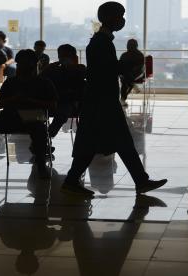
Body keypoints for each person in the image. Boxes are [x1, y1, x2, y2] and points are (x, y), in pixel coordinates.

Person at [60, 2, 167, 197]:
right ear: (110, 17)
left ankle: (72, 180)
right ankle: (140, 181)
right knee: (119, 141)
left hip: (99, 100)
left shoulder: (100, 41)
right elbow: (106, 69)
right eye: (120, 15)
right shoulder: (102, 42)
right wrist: (125, 67)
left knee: (98, 142)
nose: (122, 20)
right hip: (103, 101)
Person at [0, 49, 57, 178]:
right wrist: (14, 100)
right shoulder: (12, 81)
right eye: (20, 64)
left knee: (40, 130)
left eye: (23, 64)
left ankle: (41, 165)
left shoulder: (43, 82)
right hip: (14, 116)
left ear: (32, 65)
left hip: (32, 116)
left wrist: (29, 101)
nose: (20, 67)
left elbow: (53, 105)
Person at [40, 44, 86, 138]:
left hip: (70, 103)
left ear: (73, 57)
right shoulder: (53, 69)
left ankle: (46, 137)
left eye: (66, 56)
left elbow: (84, 76)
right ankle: (42, 137)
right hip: (53, 103)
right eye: (61, 56)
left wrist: (73, 66)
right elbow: (39, 80)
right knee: (38, 113)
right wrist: (48, 68)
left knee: (62, 111)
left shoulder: (79, 69)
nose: (63, 58)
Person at [119, 38, 144, 105]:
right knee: (127, 79)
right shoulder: (140, 55)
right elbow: (141, 68)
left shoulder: (124, 55)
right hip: (134, 75)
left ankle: (122, 99)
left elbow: (120, 65)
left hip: (130, 75)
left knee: (125, 81)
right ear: (136, 45)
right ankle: (132, 84)